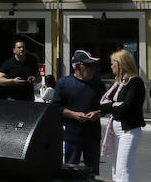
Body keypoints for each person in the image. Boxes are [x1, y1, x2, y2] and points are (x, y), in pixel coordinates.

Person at [51, 50, 104, 176]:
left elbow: (105, 107)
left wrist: (97, 113)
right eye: (89, 65)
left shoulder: (98, 84)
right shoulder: (64, 83)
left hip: (92, 136)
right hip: (71, 135)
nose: (92, 69)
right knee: (70, 172)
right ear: (78, 66)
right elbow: (56, 107)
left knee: (92, 173)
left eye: (93, 65)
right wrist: (73, 115)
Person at [99, 49, 146, 182]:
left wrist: (113, 106)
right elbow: (103, 105)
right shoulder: (119, 84)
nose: (111, 66)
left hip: (128, 132)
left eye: (113, 63)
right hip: (117, 132)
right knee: (116, 170)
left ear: (121, 64)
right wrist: (115, 104)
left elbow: (127, 108)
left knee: (123, 170)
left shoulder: (135, 82)